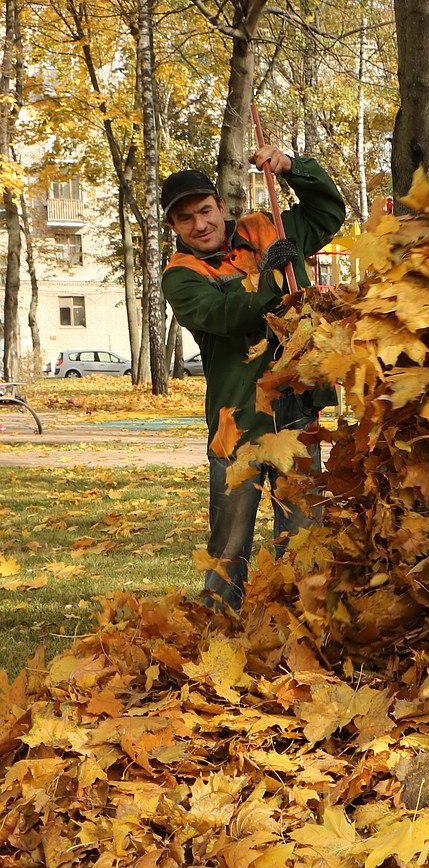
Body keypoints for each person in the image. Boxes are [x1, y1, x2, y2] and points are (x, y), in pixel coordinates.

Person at [161, 148, 346, 611]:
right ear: (175, 228)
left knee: (304, 535)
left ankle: (301, 621)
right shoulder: (181, 276)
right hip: (237, 421)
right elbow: (222, 315)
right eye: (185, 219)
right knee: (228, 543)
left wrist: (292, 167)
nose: (199, 224)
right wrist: (271, 278)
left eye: (205, 211)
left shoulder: (268, 227)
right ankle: (218, 625)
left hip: (294, 408)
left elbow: (328, 213)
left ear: (221, 207)